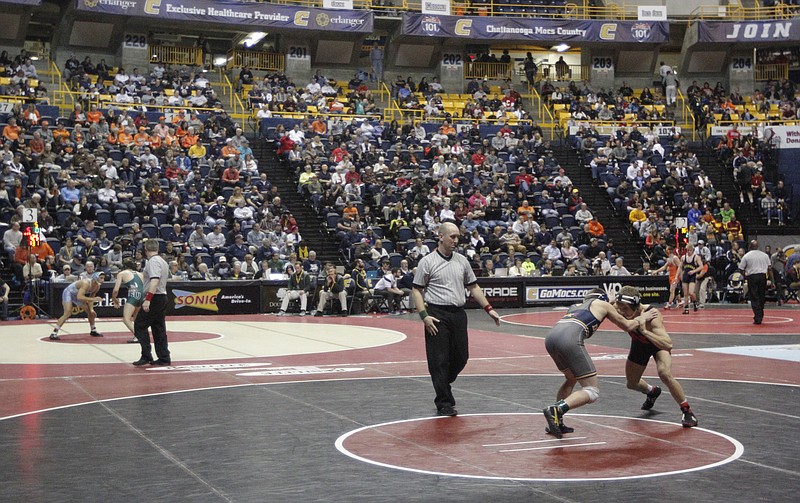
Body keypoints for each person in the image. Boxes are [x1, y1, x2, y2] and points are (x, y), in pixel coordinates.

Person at [411, 222, 501, 417]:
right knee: (439, 360)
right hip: (436, 314)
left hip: (458, 314)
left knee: (462, 356)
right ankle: (443, 401)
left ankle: (443, 382)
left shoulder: (462, 261)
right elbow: (417, 290)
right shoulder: (427, 262)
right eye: (452, 236)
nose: (456, 241)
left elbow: (473, 287)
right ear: (440, 236)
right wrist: (424, 316)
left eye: (457, 237)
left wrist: (489, 308)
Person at [542, 288, 657, 438]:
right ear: (604, 298)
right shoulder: (603, 304)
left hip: (550, 338)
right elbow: (628, 326)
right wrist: (643, 317)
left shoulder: (575, 306)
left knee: (571, 378)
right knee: (592, 391)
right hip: (569, 340)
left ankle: (556, 421)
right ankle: (557, 410)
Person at [614, 286, 698, 428]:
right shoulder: (618, 308)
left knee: (664, 373)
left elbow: (668, 344)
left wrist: (645, 332)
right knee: (631, 383)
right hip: (639, 344)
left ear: (635, 305)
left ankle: (687, 411)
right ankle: (652, 391)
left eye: (625, 309)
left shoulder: (652, 315)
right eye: (619, 307)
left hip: (657, 344)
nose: (621, 312)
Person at [133, 239, 171, 366]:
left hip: (155, 297)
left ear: (146, 249)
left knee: (139, 325)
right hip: (162, 296)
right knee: (158, 328)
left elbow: (154, 281)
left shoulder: (153, 262)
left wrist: (148, 299)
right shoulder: (163, 261)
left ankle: (146, 355)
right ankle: (164, 357)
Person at [49, 272, 106, 340]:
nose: (103, 280)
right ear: (96, 278)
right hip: (69, 293)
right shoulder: (86, 283)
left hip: (77, 295)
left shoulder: (97, 286)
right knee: (67, 313)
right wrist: (94, 299)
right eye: (101, 278)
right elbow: (80, 297)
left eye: (103, 278)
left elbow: (90, 298)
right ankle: (54, 333)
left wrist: (91, 309)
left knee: (90, 312)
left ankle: (93, 330)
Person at [739, 240, 771, 325]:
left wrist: (745, 277)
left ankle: (758, 316)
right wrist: (772, 280)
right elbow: (770, 268)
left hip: (752, 277)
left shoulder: (747, 256)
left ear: (750, 246)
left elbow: (741, 269)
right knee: (761, 295)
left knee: (754, 296)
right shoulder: (764, 255)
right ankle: (760, 313)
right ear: (758, 246)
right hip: (762, 276)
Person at [111, 263, 145, 344]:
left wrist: (114, 299)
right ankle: (139, 336)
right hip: (141, 296)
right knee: (136, 318)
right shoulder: (140, 274)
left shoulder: (122, 273)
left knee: (126, 319)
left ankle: (139, 336)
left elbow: (116, 290)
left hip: (133, 295)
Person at [678, 243, 702, 314]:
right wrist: (678, 276)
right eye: (687, 250)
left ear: (693, 250)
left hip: (692, 276)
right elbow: (680, 267)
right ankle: (686, 309)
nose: (688, 252)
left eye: (690, 250)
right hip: (685, 276)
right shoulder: (683, 257)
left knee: (691, 292)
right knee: (685, 294)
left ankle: (695, 303)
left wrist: (694, 271)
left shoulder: (696, 257)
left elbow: (701, 266)